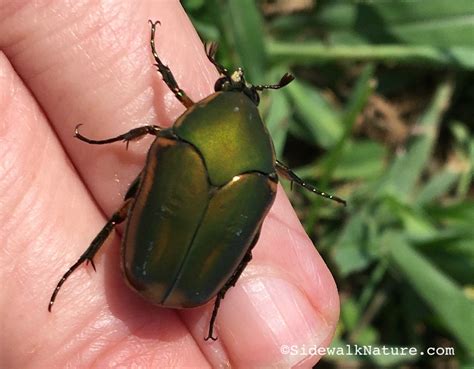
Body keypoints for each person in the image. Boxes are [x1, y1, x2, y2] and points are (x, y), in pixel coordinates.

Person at [0, 1, 339, 367]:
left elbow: (169, 92)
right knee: (244, 241)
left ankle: (82, 266)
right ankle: (215, 294)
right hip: (197, 287)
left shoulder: (178, 140)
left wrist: (156, 61)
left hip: (156, 270)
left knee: (122, 211)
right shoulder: (264, 177)